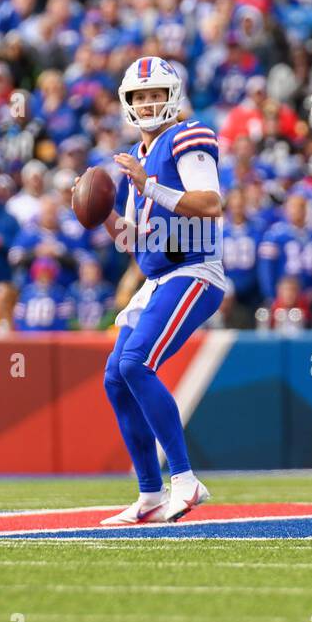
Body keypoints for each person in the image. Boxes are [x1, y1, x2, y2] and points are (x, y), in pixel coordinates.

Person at [98, 56, 224, 525]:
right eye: (140, 96)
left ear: (172, 96)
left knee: (136, 363)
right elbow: (134, 240)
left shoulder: (189, 135)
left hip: (194, 269)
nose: (149, 103)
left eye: (156, 94)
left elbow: (210, 204)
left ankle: (186, 480)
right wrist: (101, 214)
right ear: (128, 103)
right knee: (116, 377)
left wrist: (149, 185)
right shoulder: (141, 155)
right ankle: (150, 493)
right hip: (157, 279)